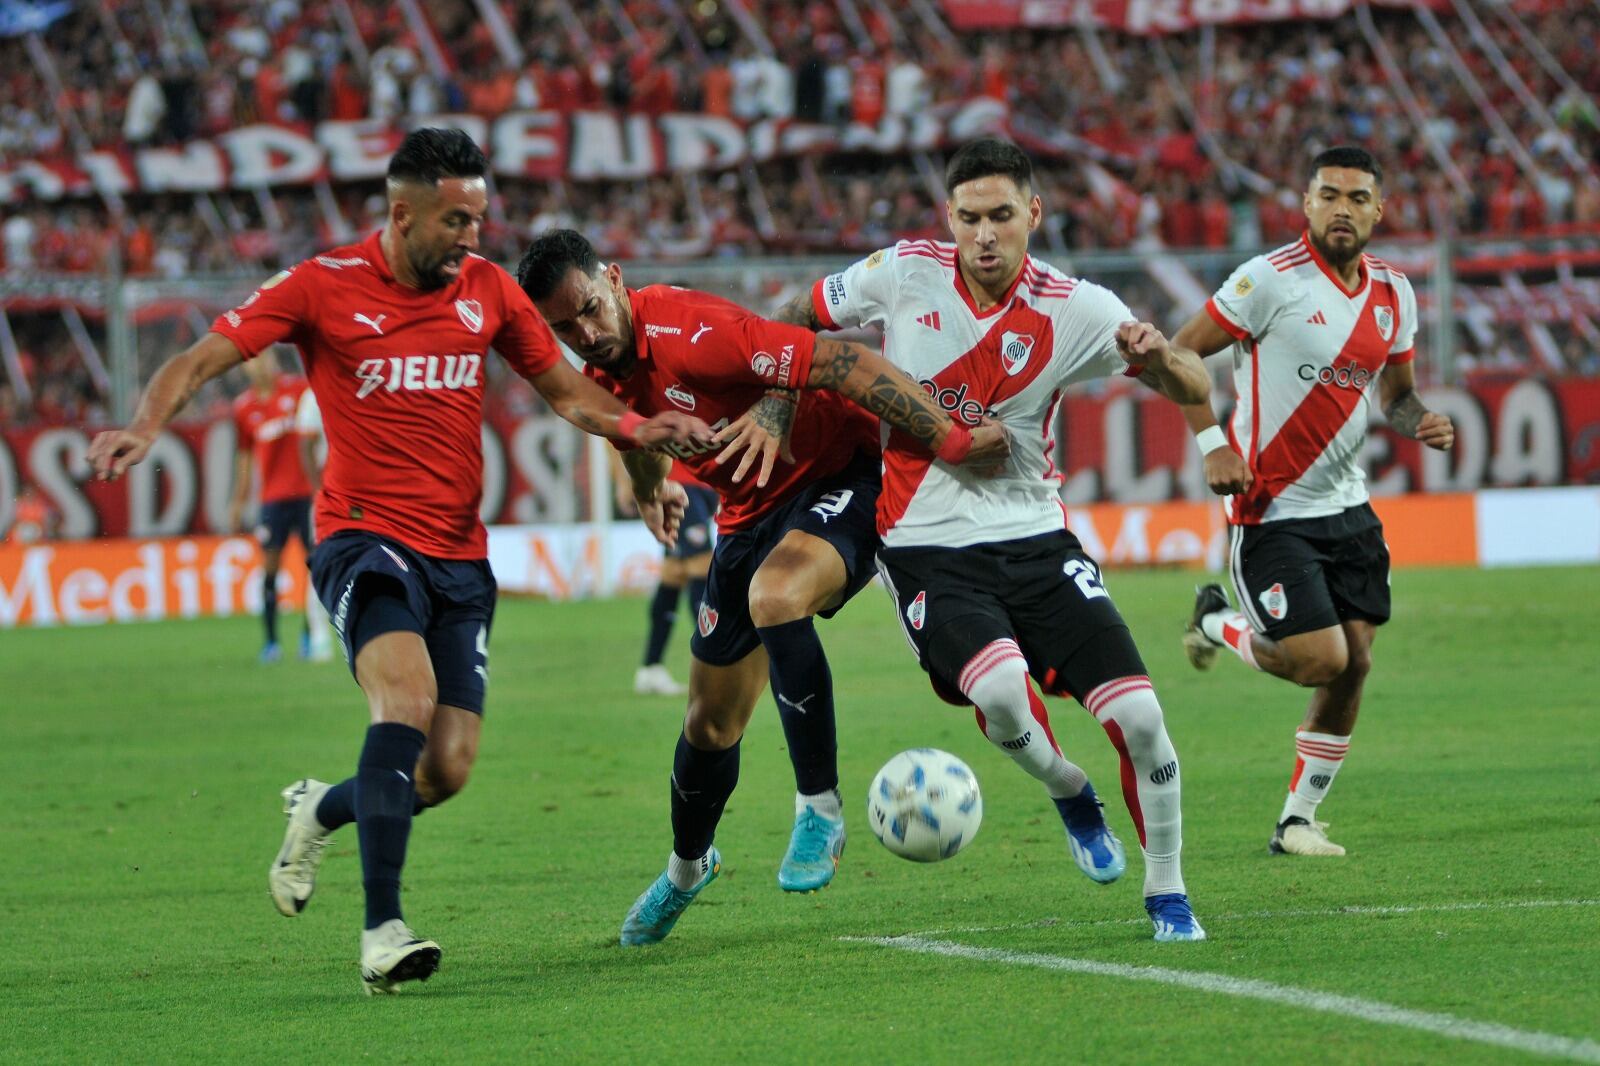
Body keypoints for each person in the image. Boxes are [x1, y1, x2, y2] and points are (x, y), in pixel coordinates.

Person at [88, 128, 709, 993]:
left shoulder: (489, 289)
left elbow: (566, 391)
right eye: (455, 220)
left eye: (479, 218)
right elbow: (203, 357)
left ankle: (323, 807)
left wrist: (643, 432)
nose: (471, 237)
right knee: (406, 701)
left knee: (445, 768)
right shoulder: (321, 286)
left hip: (459, 554)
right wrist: (146, 426)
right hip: (361, 537)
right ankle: (383, 930)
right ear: (400, 211)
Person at [770, 137, 1212, 941]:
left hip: (1039, 540)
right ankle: (1069, 787)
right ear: (948, 217)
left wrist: (1161, 358)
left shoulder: (1078, 307)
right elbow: (797, 314)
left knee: (1144, 718)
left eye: (1001, 216)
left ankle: (1169, 893)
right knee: (1004, 694)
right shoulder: (904, 272)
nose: (984, 235)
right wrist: (774, 405)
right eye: (968, 217)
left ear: (1033, 214)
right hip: (925, 546)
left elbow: (1192, 381)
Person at [515, 228, 1007, 946]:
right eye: (563, 327)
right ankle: (688, 869)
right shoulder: (593, 378)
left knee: (775, 597)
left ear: (615, 279)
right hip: (746, 519)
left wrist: (948, 439)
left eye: (589, 308)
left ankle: (820, 807)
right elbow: (633, 437)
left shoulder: (692, 331)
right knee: (708, 725)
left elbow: (841, 359)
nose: (583, 334)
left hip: (844, 476)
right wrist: (651, 493)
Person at [1173, 146, 1454, 858]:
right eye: (1328, 195)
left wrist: (1419, 418)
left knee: (1356, 661)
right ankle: (1216, 624)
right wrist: (1212, 441)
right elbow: (1177, 353)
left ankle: (1296, 821)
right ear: (1305, 203)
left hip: (1348, 507)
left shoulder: (1394, 293)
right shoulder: (1268, 280)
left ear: (1378, 210)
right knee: (1318, 659)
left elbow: (1394, 396)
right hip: (1269, 508)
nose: (1341, 209)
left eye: (1357, 198)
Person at [226, 350, 315, 662]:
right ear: (246, 368)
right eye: (254, 360)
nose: (261, 365)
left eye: (265, 358)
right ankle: (271, 642)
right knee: (270, 569)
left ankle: (310, 636)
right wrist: (238, 501)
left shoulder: (300, 390)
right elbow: (245, 459)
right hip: (273, 499)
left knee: (315, 567)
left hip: (308, 495)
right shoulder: (244, 408)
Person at [613, 452, 716, 697]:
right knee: (701, 567)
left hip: (706, 482)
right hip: (679, 485)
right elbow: (613, 438)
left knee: (674, 573)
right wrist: (624, 480)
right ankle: (714, 669)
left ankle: (651, 668)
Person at [293, 386, 335, 663]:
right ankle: (318, 637)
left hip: (371, 493)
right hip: (330, 493)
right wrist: (317, 490)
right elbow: (306, 445)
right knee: (320, 564)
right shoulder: (313, 395)